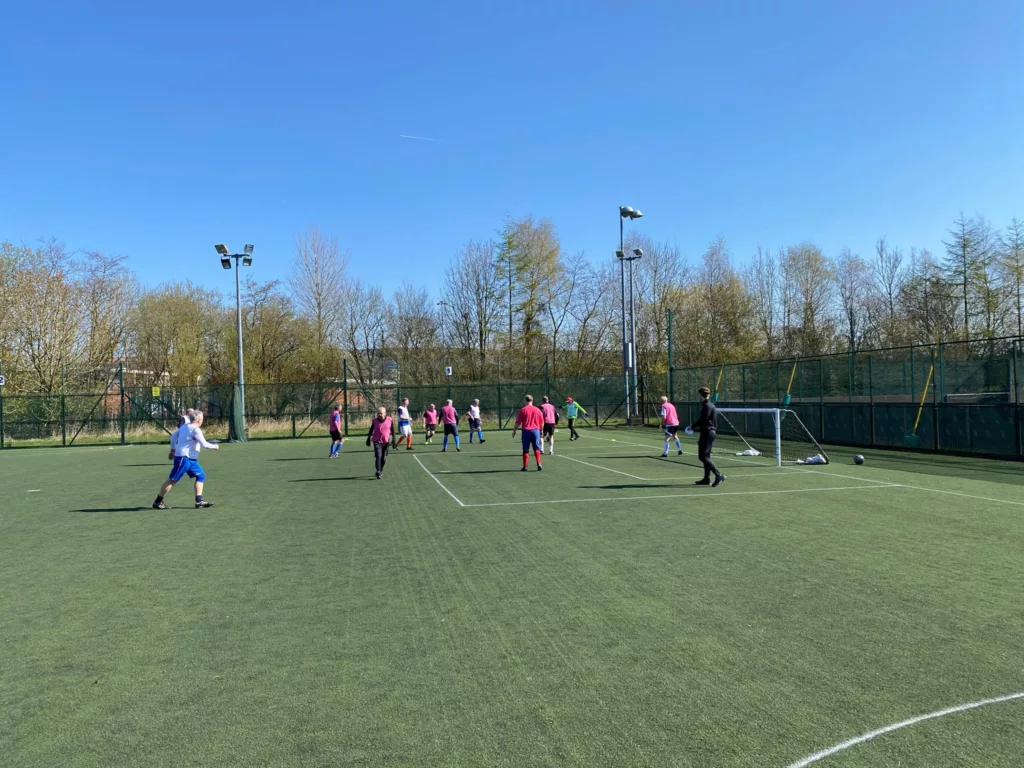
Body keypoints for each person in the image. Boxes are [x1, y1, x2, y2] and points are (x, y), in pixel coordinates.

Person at [153, 411, 219, 509]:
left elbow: (174, 436)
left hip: (191, 459)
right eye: (202, 418)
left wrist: (173, 450)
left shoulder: (184, 426)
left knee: (201, 476)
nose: (202, 420)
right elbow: (204, 444)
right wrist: (215, 446)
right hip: (183, 458)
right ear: (198, 419)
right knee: (172, 480)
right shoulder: (195, 430)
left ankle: (199, 501)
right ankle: (158, 502)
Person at [689, 386, 724, 487]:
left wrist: (692, 426)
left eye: (699, 395)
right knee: (706, 456)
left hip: (708, 433)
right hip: (707, 432)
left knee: (703, 456)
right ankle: (706, 479)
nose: (698, 397)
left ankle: (718, 475)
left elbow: (703, 420)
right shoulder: (708, 405)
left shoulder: (707, 406)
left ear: (701, 395)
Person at [512, 395, 544, 471]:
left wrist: (514, 430)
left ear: (525, 400)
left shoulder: (523, 410)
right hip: (535, 431)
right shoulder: (537, 410)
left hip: (526, 431)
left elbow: (518, 422)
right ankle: (539, 463)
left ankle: (525, 467)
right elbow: (542, 422)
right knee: (537, 448)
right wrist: (541, 430)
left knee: (525, 449)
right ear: (532, 400)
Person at [365, 406, 396, 479]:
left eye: (381, 413)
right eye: (378, 413)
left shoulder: (389, 419)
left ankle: (380, 469)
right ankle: (378, 471)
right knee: (378, 456)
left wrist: (394, 439)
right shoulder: (375, 421)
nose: (380, 415)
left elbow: (393, 430)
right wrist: (368, 438)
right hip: (377, 441)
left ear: (385, 413)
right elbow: (371, 429)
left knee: (383, 459)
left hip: (386, 442)